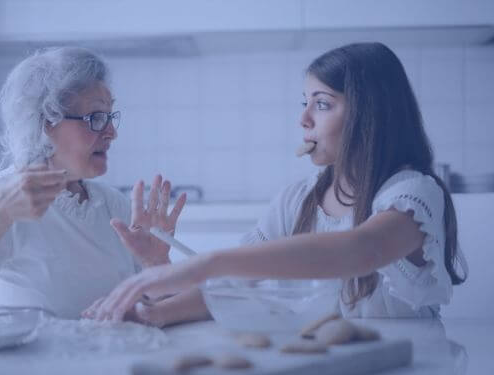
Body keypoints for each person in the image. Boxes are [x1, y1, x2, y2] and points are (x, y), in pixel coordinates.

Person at [84, 42, 468, 323]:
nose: (303, 120)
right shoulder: (297, 200)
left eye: (322, 103)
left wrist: (208, 262)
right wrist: (154, 305)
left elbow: (362, 250)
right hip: (332, 372)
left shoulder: (413, 195)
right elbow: (240, 284)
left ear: (370, 115)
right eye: (304, 102)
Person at [0, 47, 186, 319]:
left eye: (110, 116)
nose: (112, 133)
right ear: (43, 122)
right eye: (96, 117)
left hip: (110, 360)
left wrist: (157, 264)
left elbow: (164, 310)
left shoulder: (114, 206)